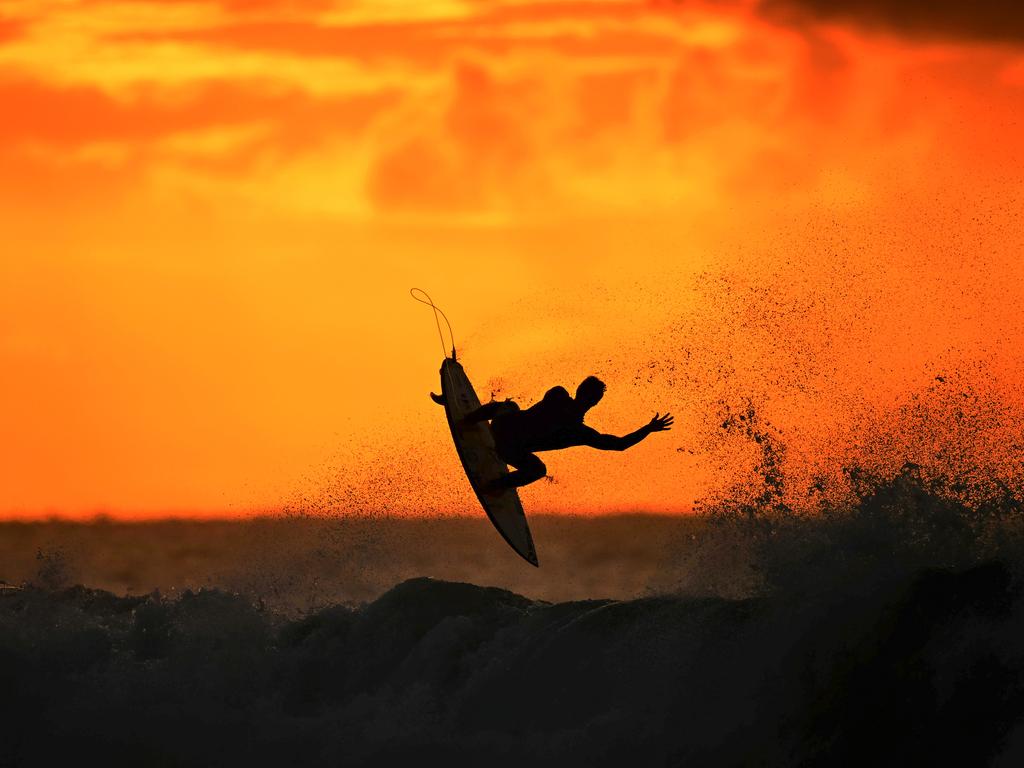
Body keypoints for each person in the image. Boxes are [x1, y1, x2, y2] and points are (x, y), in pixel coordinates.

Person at [458, 376, 672, 494]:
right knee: (539, 469)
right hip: (510, 451)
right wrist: (648, 429)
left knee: (510, 404)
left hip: (500, 427)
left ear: (578, 389)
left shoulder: (557, 394)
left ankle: (466, 420)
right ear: (595, 403)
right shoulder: (579, 433)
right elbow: (619, 445)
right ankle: (494, 486)